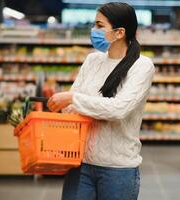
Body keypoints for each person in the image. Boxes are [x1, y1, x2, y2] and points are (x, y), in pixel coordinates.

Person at [47, 2, 155, 200]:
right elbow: (71, 108)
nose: (93, 30)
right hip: (81, 163)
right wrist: (70, 105)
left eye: (99, 25)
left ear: (119, 32)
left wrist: (74, 99)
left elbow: (118, 109)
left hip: (118, 169)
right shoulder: (92, 61)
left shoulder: (142, 66)